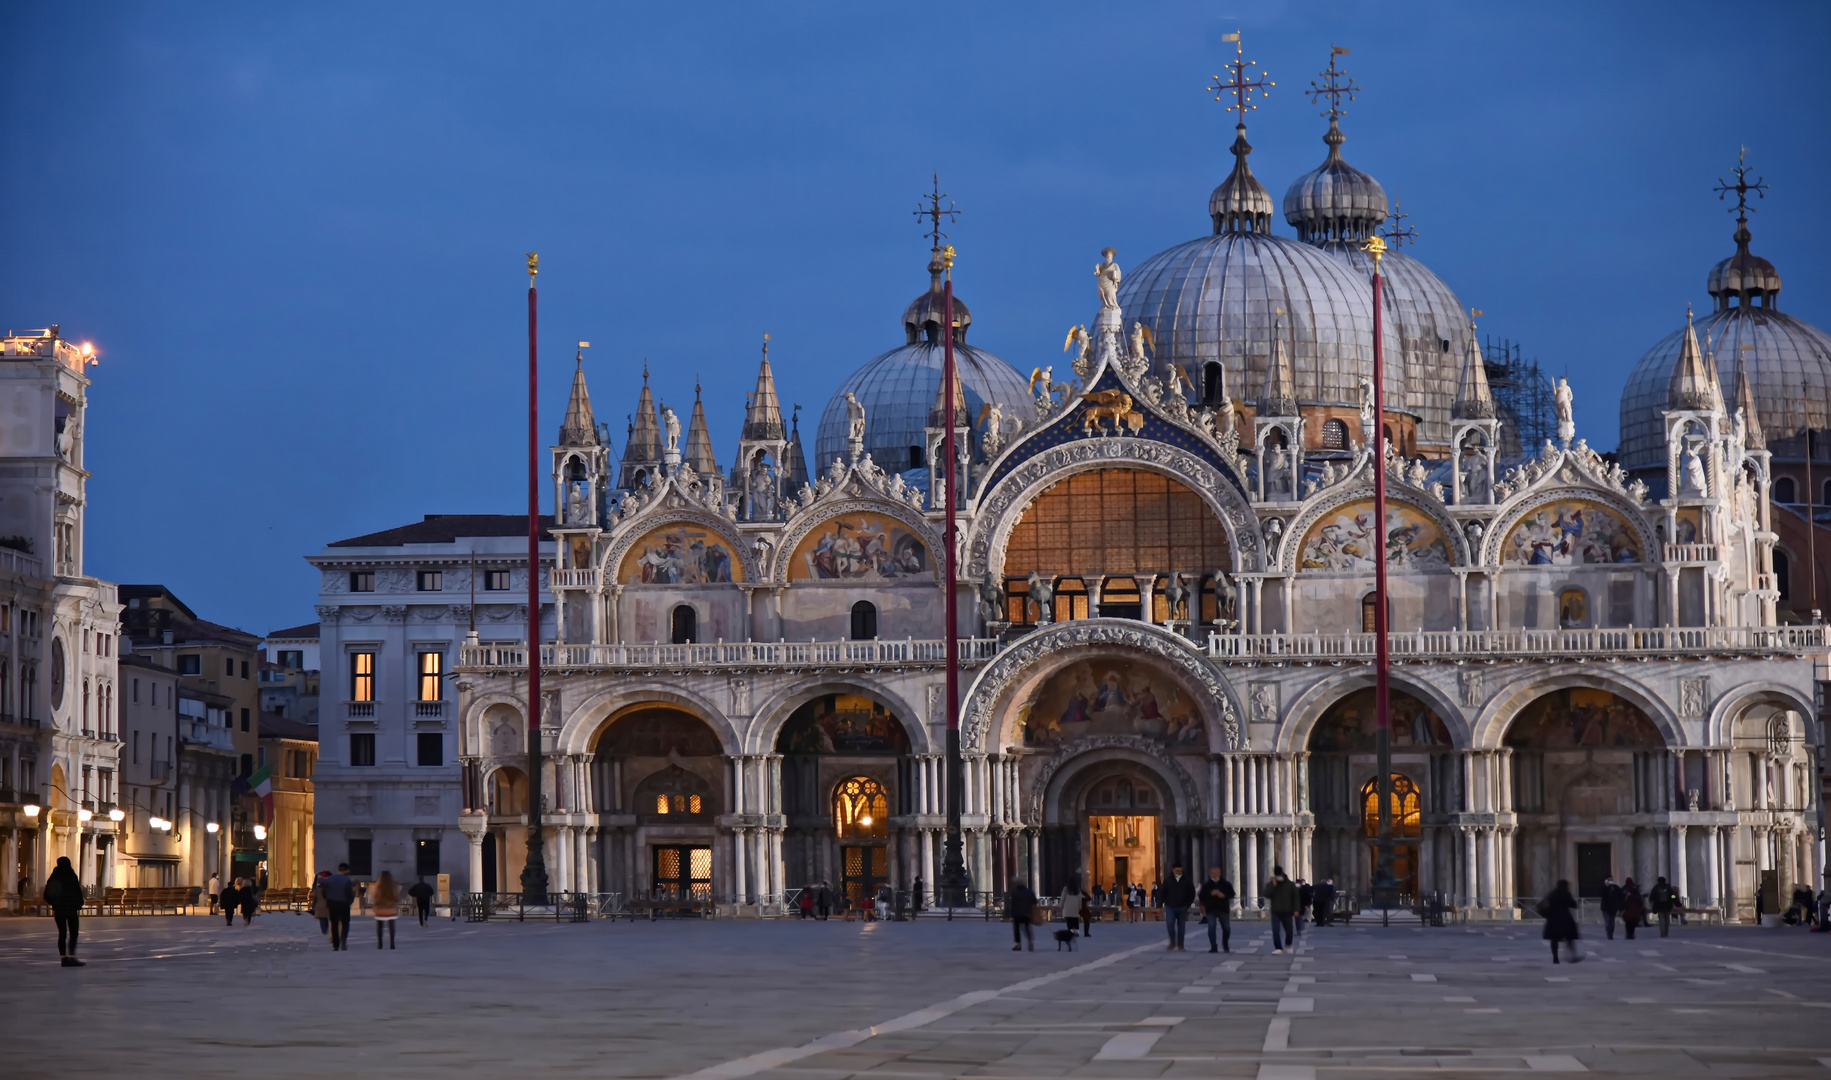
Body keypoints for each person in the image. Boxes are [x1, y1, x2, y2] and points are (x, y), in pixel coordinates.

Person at [42, 856, 85, 967]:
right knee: (73, 933)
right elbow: (77, 891)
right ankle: (71, 956)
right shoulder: (71, 875)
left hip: (59, 910)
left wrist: (55, 903)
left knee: (62, 934)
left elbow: (47, 894)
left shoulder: (54, 877)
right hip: (71, 909)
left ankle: (64, 958)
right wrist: (78, 904)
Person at [1541, 879, 1582, 963]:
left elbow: (1544, 904)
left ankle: (1555, 957)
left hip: (1553, 920)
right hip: (1565, 918)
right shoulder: (1566, 894)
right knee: (1569, 938)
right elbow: (1573, 904)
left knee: (1554, 939)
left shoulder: (1552, 894)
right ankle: (1573, 956)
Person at [1198, 866, 1234, 953]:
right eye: (1213, 873)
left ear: (1219, 873)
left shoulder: (1226, 884)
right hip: (1211, 909)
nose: (1214, 875)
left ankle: (1225, 944)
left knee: (1226, 928)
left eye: (1216, 873)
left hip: (1223, 909)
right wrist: (1211, 894)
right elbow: (1201, 896)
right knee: (1211, 928)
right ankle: (1213, 946)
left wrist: (1223, 895)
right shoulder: (1207, 885)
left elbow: (1232, 894)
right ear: (1210, 874)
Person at [1160, 864, 1195, 952]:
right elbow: (1163, 893)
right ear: (1173, 870)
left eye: (1180, 870)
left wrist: (1187, 905)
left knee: (1181, 927)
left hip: (1182, 907)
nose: (1179, 872)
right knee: (1170, 924)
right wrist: (1159, 905)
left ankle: (1180, 945)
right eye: (1177, 870)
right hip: (1170, 906)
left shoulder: (1187, 880)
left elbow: (1192, 893)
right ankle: (1172, 942)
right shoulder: (1168, 880)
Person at [323, 863, 357, 950]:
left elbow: (324, 892)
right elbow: (350, 893)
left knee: (334, 924)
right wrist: (350, 901)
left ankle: (335, 945)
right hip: (344, 904)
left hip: (332, 904)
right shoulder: (346, 880)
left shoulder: (330, 879)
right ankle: (343, 940)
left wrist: (328, 900)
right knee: (345, 923)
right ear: (346, 870)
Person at [1267, 867, 1299, 954]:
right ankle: (1278, 948)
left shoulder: (1290, 884)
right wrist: (1273, 885)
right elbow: (1267, 894)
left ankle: (1288, 943)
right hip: (1276, 911)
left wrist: (1296, 909)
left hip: (1287, 911)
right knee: (1275, 930)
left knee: (1289, 930)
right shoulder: (1272, 884)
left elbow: (1296, 897)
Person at [1007, 878, 1037, 951]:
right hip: (1027, 913)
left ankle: (1018, 945)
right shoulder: (1029, 891)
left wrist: (1010, 913)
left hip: (1017, 914)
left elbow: (1012, 903)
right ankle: (1030, 940)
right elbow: (1035, 901)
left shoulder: (1014, 892)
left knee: (1017, 929)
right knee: (1027, 928)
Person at [373, 870, 400, 949]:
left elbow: (376, 897)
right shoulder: (393, 886)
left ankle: (380, 944)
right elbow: (396, 898)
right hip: (390, 908)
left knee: (379, 926)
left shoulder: (378, 886)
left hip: (380, 909)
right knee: (391, 927)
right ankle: (392, 943)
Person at [310, 870, 332, 936]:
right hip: (328, 906)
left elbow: (315, 899)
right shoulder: (330, 889)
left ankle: (324, 931)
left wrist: (312, 906)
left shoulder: (317, 889)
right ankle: (326, 930)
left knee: (322, 919)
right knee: (326, 919)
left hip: (319, 906)